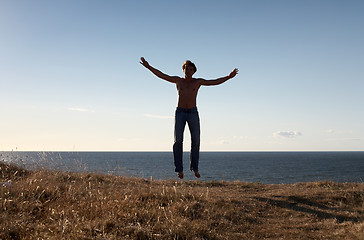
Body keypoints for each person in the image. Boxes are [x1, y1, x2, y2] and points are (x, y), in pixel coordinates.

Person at [140, 57, 238, 179]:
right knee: (178, 141)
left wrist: (228, 77)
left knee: (196, 141)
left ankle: (195, 168)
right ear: (183, 70)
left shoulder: (197, 82)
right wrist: (149, 67)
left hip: (193, 112)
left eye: (191, 69)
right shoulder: (178, 80)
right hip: (180, 112)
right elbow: (162, 75)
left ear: (194, 71)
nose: (188, 71)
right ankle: (179, 170)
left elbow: (214, 82)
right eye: (186, 69)